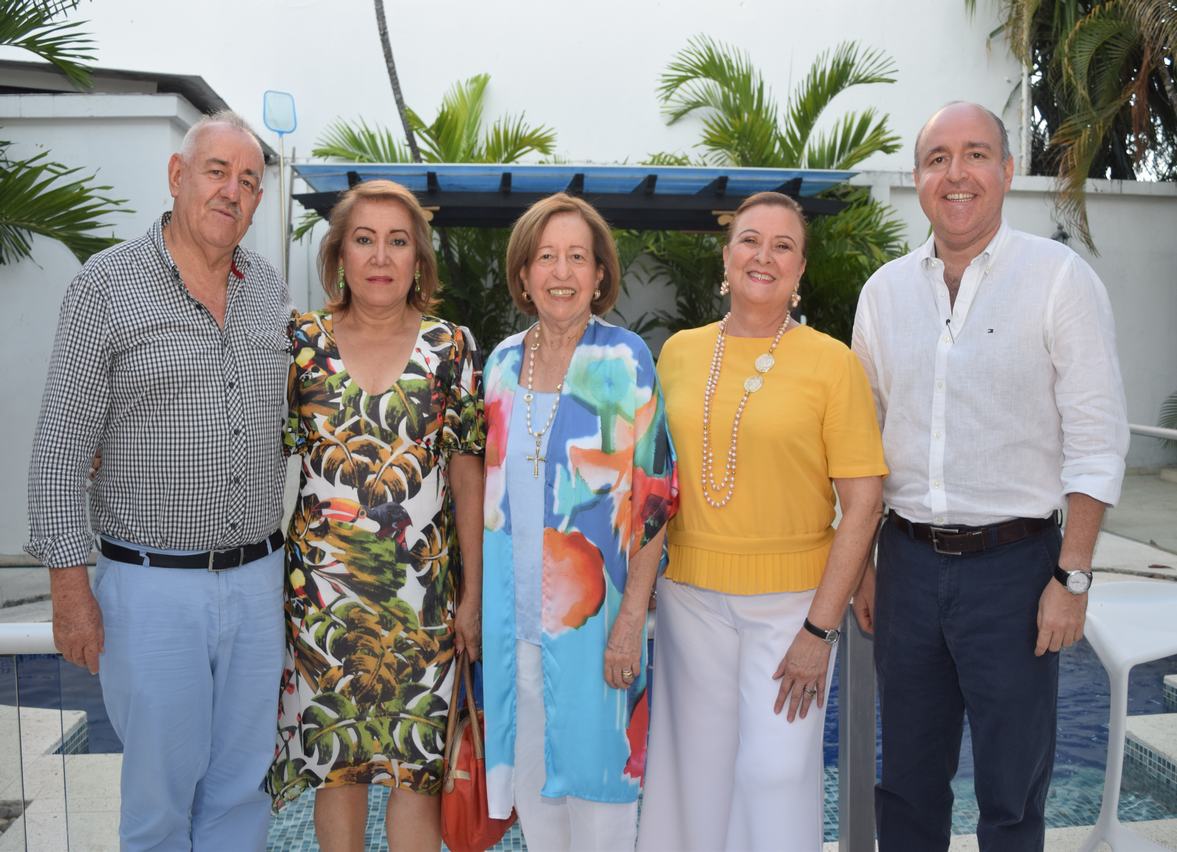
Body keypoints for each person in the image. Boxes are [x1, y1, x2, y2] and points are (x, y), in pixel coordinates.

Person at [851, 102, 1129, 852]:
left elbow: (1097, 439)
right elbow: (862, 449)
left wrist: (1070, 577)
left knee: (1011, 794)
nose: (956, 173)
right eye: (937, 157)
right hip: (904, 566)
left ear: (1007, 173)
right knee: (905, 783)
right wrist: (863, 567)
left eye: (975, 154)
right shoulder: (881, 294)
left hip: (1015, 571)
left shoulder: (1058, 281)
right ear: (917, 180)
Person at [26, 111, 289, 850]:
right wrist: (70, 593)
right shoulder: (105, 286)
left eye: (248, 181)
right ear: (178, 176)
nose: (231, 192)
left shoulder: (269, 291)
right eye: (217, 172)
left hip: (258, 581)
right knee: (159, 803)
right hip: (151, 589)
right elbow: (57, 453)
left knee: (244, 791)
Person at [637, 191, 887, 852]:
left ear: (800, 270)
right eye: (750, 240)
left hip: (791, 609)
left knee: (774, 774)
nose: (763, 256)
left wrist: (819, 629)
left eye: (782, 246)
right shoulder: (678, 355)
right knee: (697, 777)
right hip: (689, 600)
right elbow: (653, 489)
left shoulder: (832, 364)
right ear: (726, 256)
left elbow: (863, 503)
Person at [265, 179, 485, 852]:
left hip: (422, 603)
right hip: (321, 602)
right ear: (339, 255)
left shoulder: (451, 348)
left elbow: (467, 476)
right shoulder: (300, 343)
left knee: (415, 775)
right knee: (340, 775)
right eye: (364, 240)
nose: (381, 256)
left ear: (419, 259)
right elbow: (248, 441)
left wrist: (472, 597)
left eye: (398, 241)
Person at [480, 192, 677, 851]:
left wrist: (630, 625)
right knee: (538, 810)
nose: (560, 272)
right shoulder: (501, 365)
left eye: (576, 258)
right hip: (516, 636)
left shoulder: (624, 364)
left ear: (599, 275)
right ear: (523, 273)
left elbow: (654, 505)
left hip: (598, 635)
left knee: (601, 804)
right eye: (545, 257)